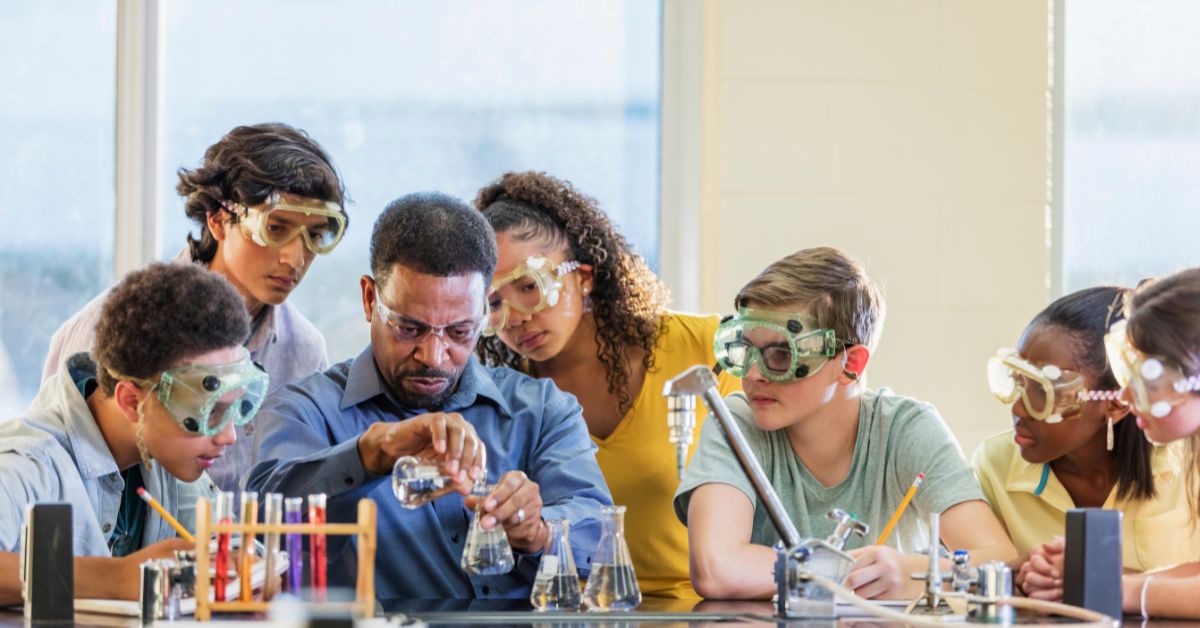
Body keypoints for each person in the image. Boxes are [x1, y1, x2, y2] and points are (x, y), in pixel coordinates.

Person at [245, 192, 612, 599]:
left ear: (486, 313)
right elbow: (264, 527)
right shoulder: (303, 411)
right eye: (409, 328)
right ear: (370, 299)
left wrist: (539, 531)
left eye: (459, 332)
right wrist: (371, 453)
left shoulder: (544, 411)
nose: (433, 356)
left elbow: (600, 533)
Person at [674, 247, 1017, 600]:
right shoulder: (738, 422)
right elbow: (716, 569)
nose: (754, 374)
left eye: (782, 354)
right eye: (747, 351)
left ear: (851, 362)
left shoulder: (906, 429)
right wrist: (846, 569)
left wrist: (914, 574)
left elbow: (1000, 559)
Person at [474, 171, 739, 598]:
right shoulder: (508, 398)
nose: (517, 317)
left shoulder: (708, 352)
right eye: (493, 303)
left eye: (530, 286)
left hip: (700, 614)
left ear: (584, 276)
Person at [42, 122, 347, 492]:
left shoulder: (305, 350)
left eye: (316, 235)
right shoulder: (104, 328)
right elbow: (54, 485)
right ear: (218, 219)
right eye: (276, 228)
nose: (295, 257)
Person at [0, 262, 268, 604]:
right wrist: (115, 578)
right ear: (131, 401)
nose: (228, 435)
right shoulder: (30, 466)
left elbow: (237, 554)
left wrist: (253, 570)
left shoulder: (167, 460)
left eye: (233, 408)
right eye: (206, 410)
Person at [973, 286, 1200, 592]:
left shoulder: (1186, 458)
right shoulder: (994, 464)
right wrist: (1025, 572)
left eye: (1044, 390)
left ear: (1116, 404)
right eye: (1018, 382)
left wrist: (1098, 577)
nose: (1018, 408)